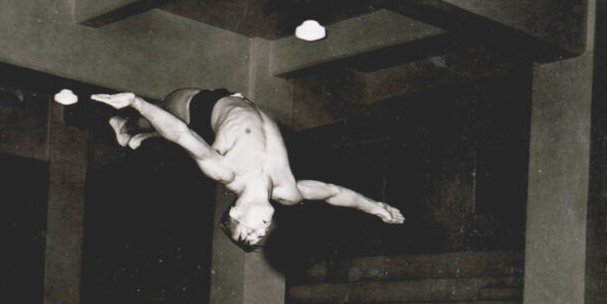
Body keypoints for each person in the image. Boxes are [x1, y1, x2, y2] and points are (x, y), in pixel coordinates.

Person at [92, 87, 404, 250]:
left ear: (236, 212)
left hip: (203, 111)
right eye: (260, 235)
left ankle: (129, 131)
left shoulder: (225, 172)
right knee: (158, 128)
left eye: (250, 231)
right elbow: (334, 193)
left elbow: (182, 134)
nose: (262, 230)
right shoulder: (289, 192)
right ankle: (137, 136)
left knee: (160, 112)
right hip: (238, 103)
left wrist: (136, 102)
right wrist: (377, 208)